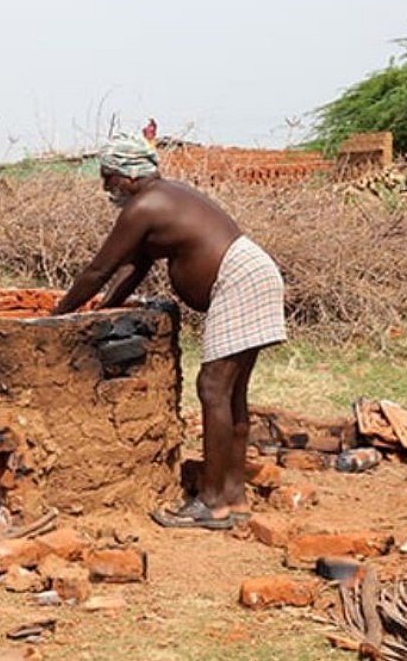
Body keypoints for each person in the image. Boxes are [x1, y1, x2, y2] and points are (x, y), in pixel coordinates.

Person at [50, 132, 286, 530]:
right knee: (231, 392)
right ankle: (233, 498)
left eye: (109, 177)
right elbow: (134, 267)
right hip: (253, 271)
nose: (106, 187)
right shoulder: (163, 198)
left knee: (214, 388)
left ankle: (211, 503)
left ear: (128, 175)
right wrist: (104, 308)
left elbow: (99, 269)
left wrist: (58, 314)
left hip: (238, 279)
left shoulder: (145, 205)